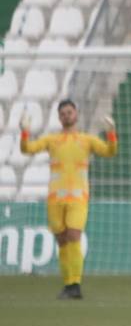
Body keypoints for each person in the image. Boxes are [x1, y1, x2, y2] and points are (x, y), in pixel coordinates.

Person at [19, 100, 117, 299]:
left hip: (78, 198)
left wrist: (112, 133)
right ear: (58, 117)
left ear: (76, 114)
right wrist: (25, 131)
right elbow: (27, 149)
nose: (66, 116)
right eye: (63, 113)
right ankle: (68, 284)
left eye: (69, 112)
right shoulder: (51, 140)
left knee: (74, 236)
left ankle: (76, 284)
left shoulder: (87, 140)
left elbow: (109, 151)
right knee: (62, 241)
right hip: (55, 199)